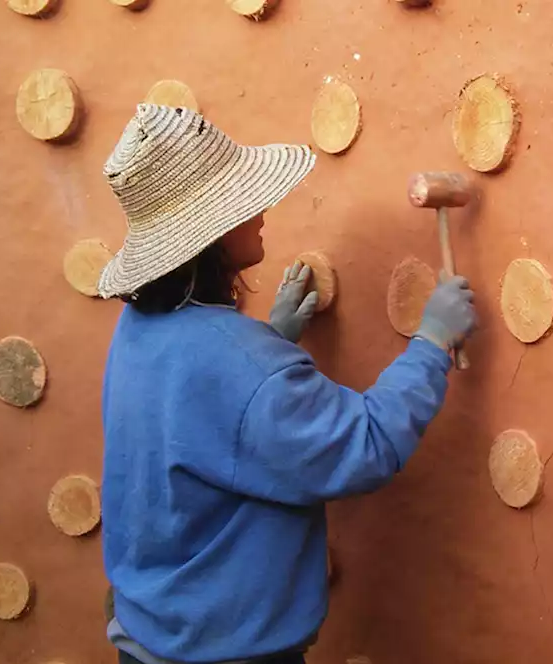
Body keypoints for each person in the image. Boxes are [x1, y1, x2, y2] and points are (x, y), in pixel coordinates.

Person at [95, 104, 477, 664]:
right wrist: (432, 342)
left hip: (151, 640)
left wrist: (272, 340)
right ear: (212, 234)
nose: (262, 210)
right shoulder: (243, 369)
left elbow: (206, 413)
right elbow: (364, 445)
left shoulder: (138, 330)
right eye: (243, 203)